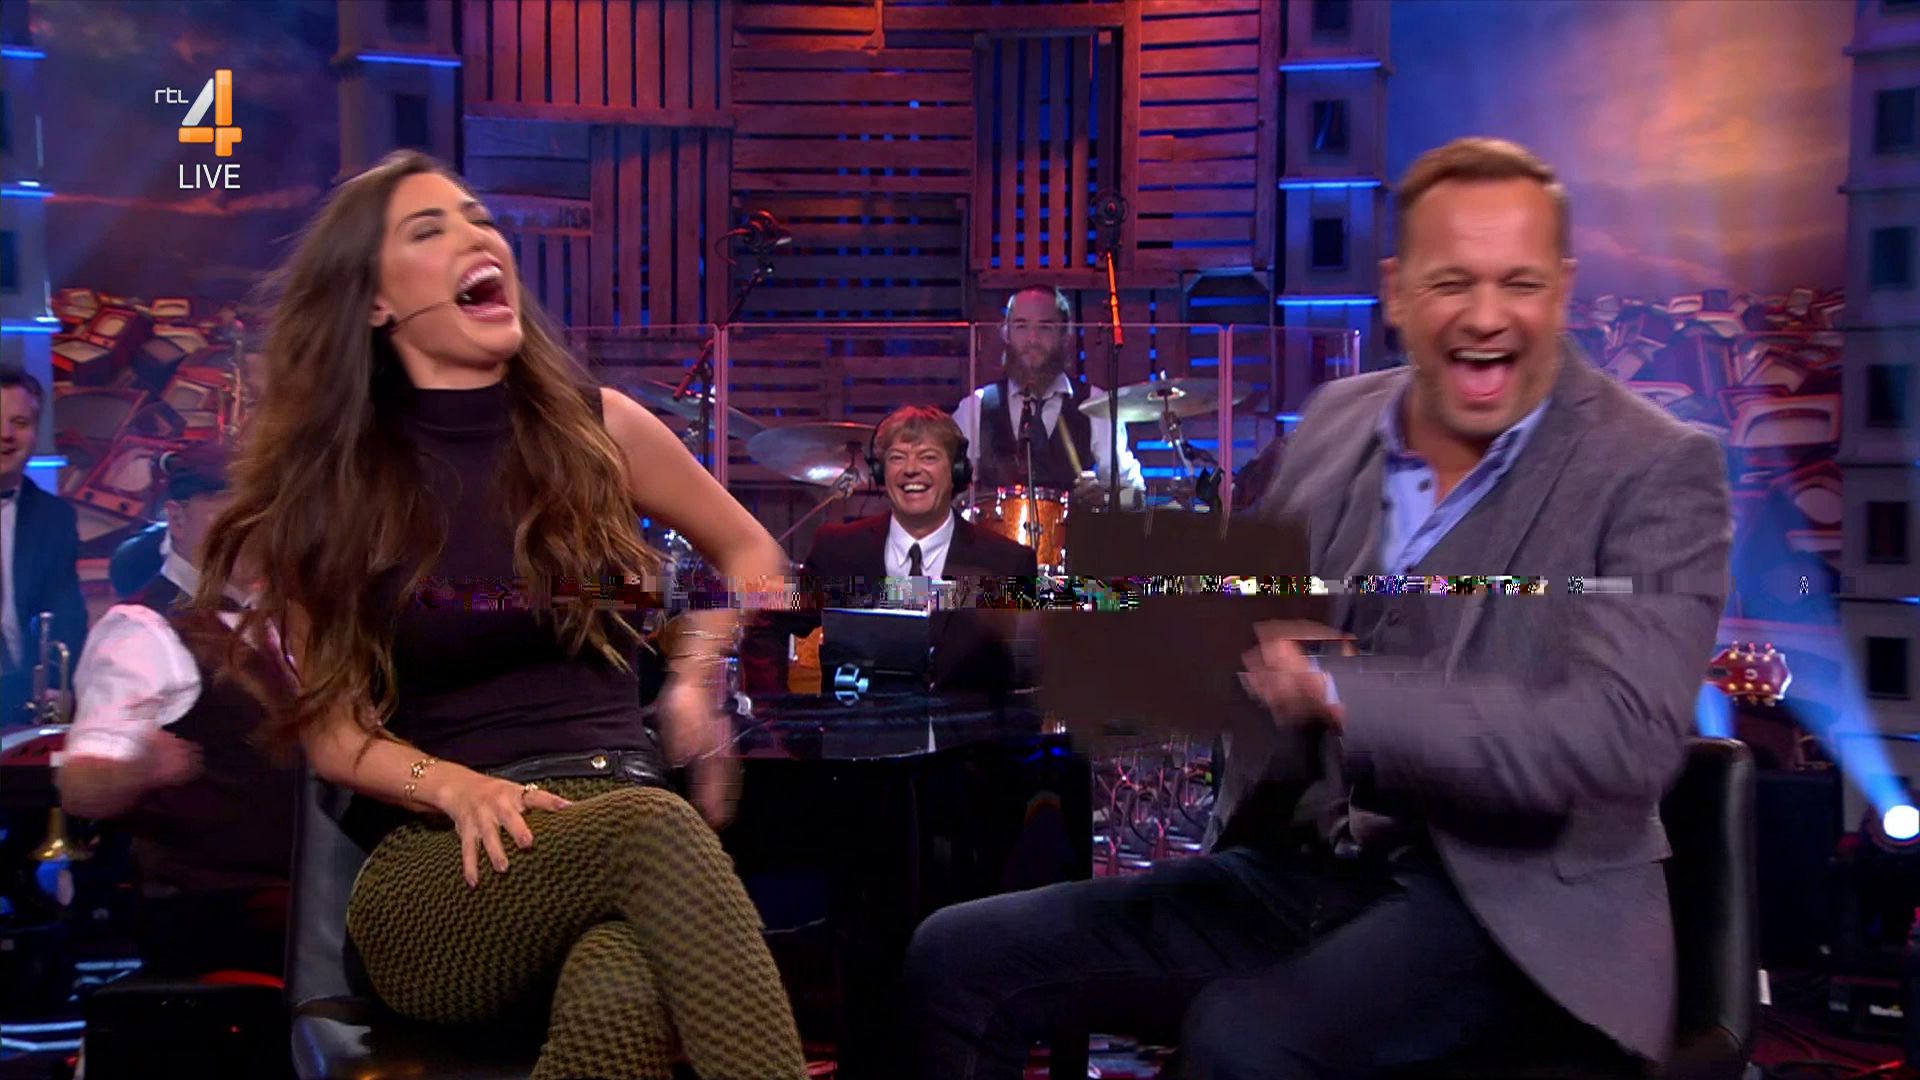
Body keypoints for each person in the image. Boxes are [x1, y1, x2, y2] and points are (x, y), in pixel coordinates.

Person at [901, 136, 1732, 1079]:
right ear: (1398, 292)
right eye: (1452, 282)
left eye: (1520, 283)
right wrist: (1029, 632)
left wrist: (1344, 692)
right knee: (959, 957)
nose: (1486, 316)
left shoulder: (1656, 466)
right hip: (1303, 870)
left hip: (1515, 912)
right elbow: (1246, 618)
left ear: (1564, 289)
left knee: (1240, 1044)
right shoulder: (1341, 420)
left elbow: (1620, 740)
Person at [194, 150, 806, 1080]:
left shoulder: (599, 428)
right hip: (453, 864)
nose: (476, 237)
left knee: (623, 991)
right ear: (375, 303)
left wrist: (696, 676)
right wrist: (450, 785)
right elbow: (336, 737)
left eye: (478, 219)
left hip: (617, 819)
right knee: (658, 831)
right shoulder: (334, 490)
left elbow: (753, 553)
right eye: (428, 229)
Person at [60, 441, 297, 977]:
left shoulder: (289, 617)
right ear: (177, 517)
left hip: (307, 897)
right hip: (221, 916)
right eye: (226, 506)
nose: (250, 525)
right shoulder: (141, 631)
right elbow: (81, 786)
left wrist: (492, 595)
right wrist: (140, 767)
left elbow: (438, 599)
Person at [802, 405, 1039, 694]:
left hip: (965, 725)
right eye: (897, 458)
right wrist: (775, 714)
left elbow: (1030, 682)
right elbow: (767, 622)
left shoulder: (1007, 563)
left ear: (956, 472)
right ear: (880, 472)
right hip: (862, 724)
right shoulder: (837, 550)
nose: (911, 469)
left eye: (928, 457)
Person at [952, 287, 1144, 509]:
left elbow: (1137, 496)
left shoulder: (1096, 406)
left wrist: (1105, 498)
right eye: (1021, 326)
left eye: (1045, 327)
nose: (1033, 339)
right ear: (1006, 333)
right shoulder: (975, 407)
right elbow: (950, 494)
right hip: (995, 532)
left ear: (1065, 334)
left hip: (1076, 532)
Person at [1, 365, 88, 724]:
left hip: (23, 706)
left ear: (36, 432)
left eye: (19, 422)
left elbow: (66, 614)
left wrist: (58, 687)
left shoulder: (55, 518)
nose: (6, 435)